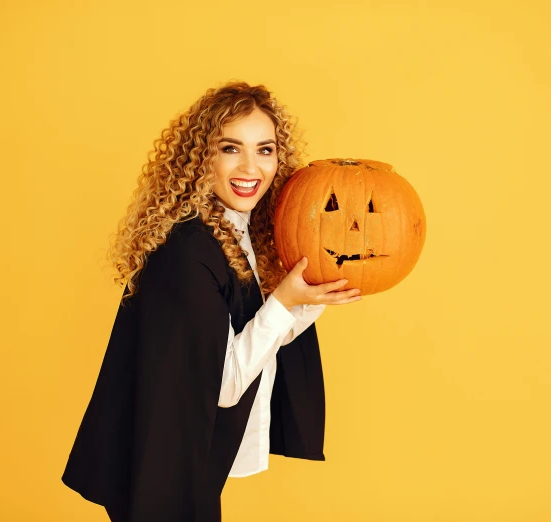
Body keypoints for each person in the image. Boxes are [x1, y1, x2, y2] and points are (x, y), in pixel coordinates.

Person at [61, 81, 361, 522]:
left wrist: (311, 296)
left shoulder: (235, 234)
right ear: (202, 158)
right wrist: (284, 299)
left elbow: (257, 337)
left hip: (185, 461)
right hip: (155, 471)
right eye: (230, 148)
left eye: (265, 150)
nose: (250, 167)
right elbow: (224, 383)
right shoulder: (188, 250)